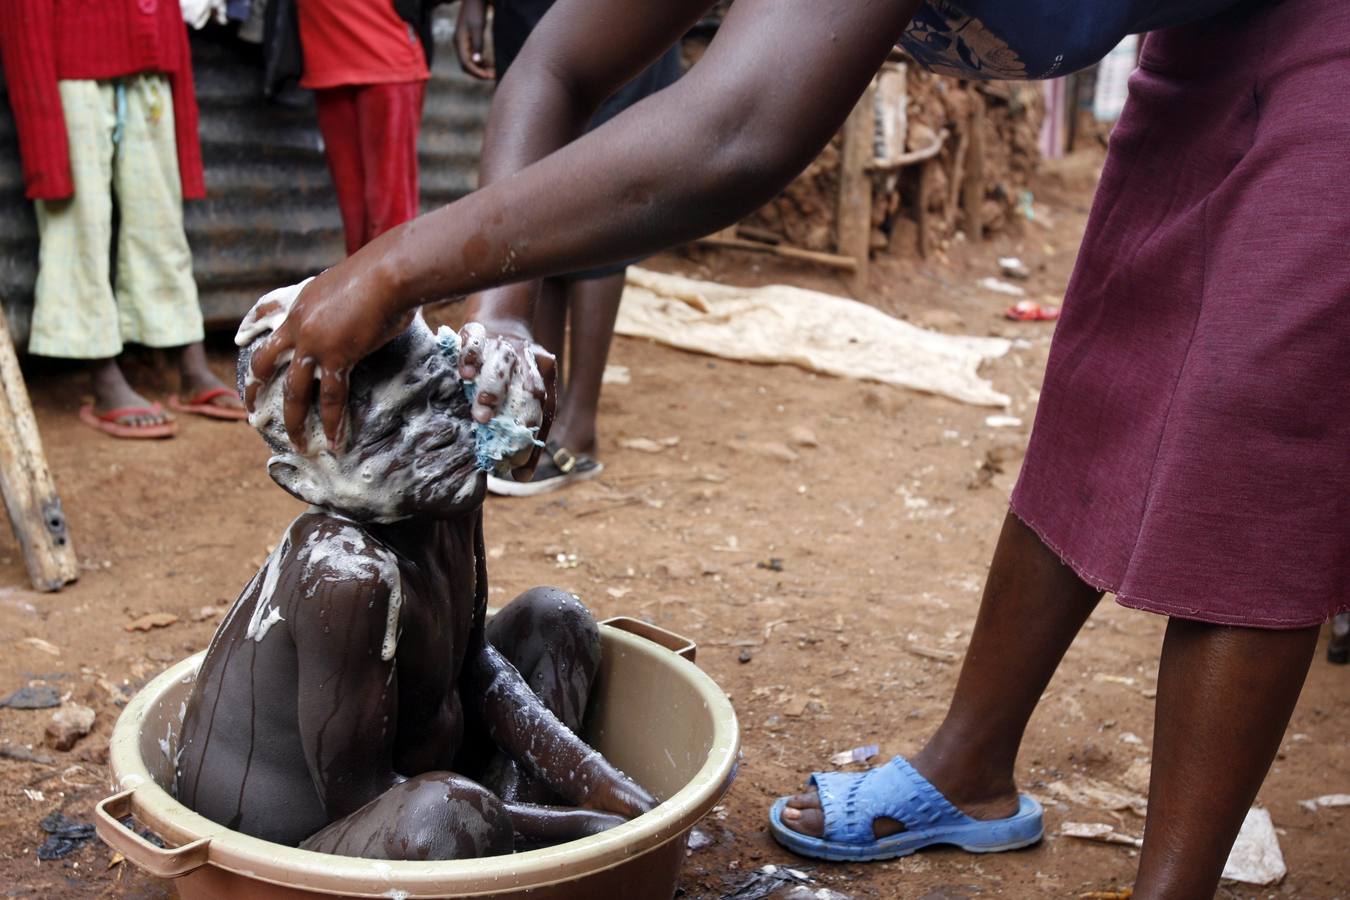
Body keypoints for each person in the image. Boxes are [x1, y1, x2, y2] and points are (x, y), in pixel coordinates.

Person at [241, 1, 1350, 896]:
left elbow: (735, 131)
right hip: (1205, 33)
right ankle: (967, 766)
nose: (445, 406)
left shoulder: (416, 548)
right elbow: (555, 70)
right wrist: (503, 310)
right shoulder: (344, 580)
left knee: (1252, 422)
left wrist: (393, 268)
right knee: (1105, 375)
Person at [175, 296, 652, 856]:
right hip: (304, 845)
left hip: (423, 786)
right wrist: (583, 833)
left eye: (439, 394)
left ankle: (523, 829)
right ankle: (531, 844)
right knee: (448, 815)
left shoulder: (440, 493)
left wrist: (602, 786)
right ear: (304, 479)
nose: (441, 435)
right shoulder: (346, 577)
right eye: (391, 429)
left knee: (557, 617)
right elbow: (360, 798)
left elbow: (473, 669)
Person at [454, 0, 683, 496]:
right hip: (528, 12)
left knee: (602, 180)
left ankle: (578, 429)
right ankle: (535, 412)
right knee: (537, 169)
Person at [0, 0, 245, 439]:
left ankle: (189, 363)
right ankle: (103, 373)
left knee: (161, 222)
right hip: (70, 65)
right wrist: (44, 148)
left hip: (149, 59)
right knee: (78, 224)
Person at [294, 0, 433, 256]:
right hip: (326, 54)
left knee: (390, 218)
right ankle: (368, 293)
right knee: (356, 223)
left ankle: (397, 294)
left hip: (385, 51)